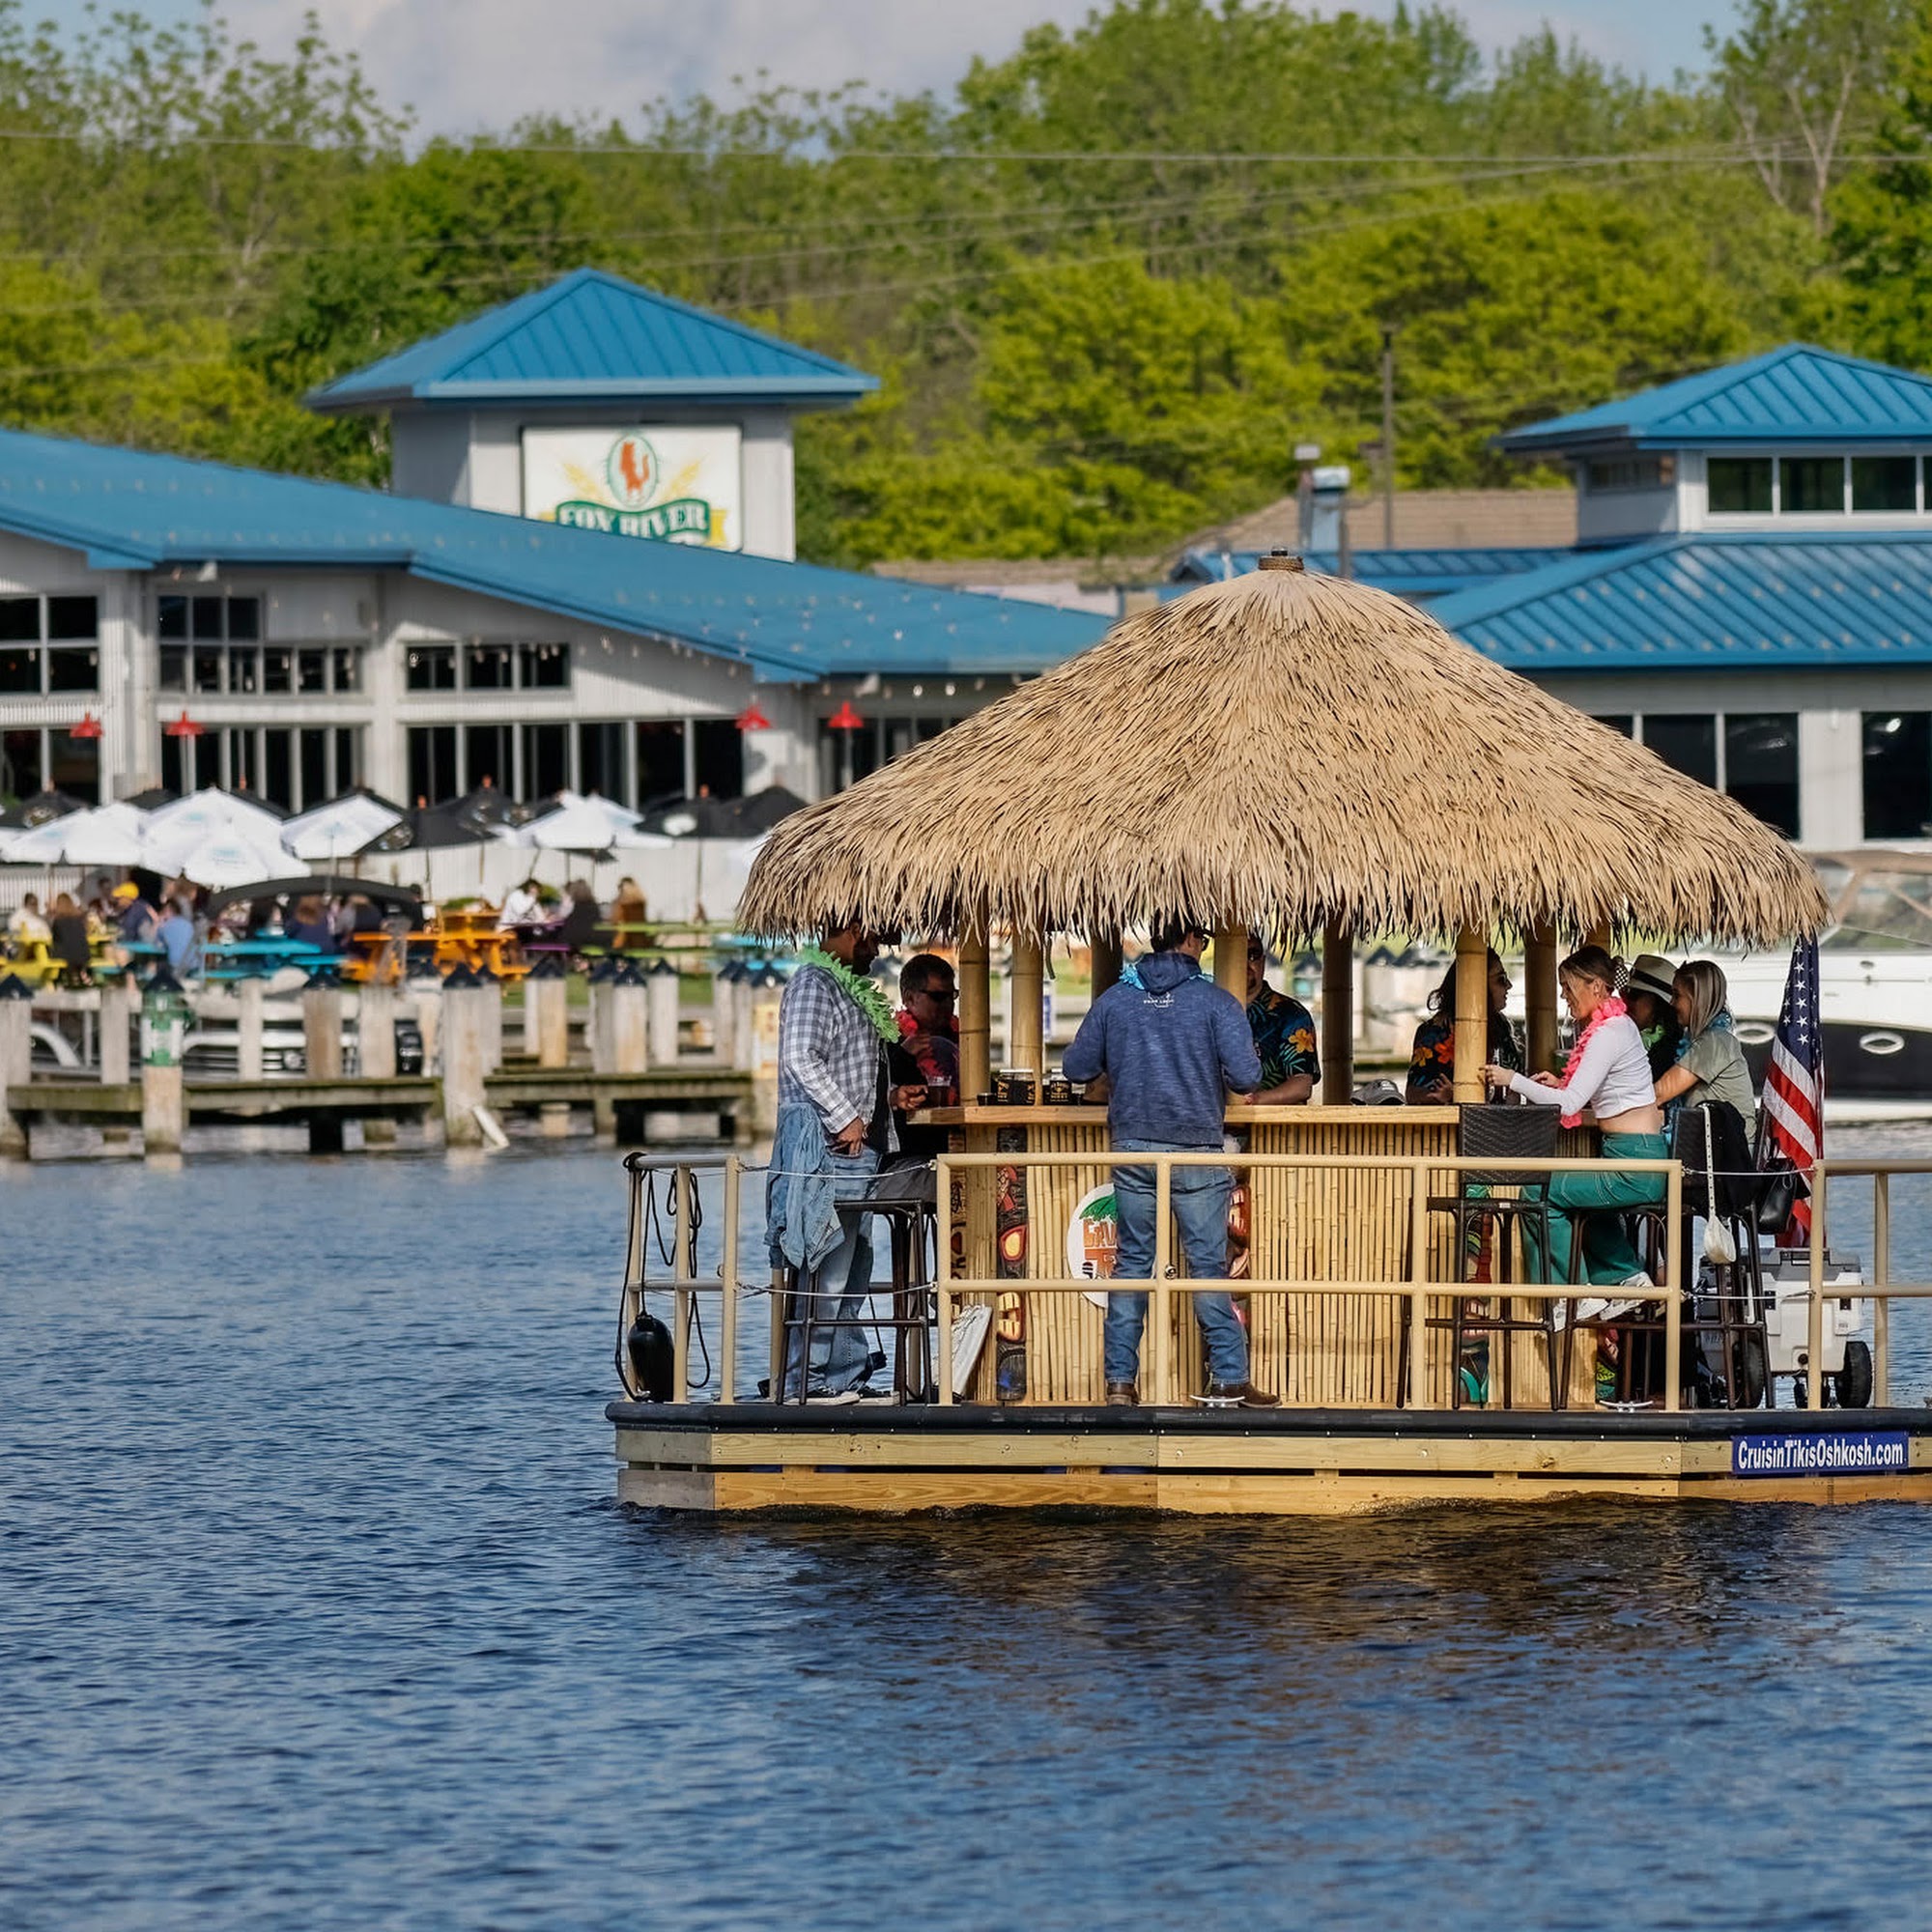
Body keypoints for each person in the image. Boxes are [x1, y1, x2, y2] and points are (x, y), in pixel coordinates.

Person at [1063, 913, 1279, 1408]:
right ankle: (1230, 1378)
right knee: (1206, 1269)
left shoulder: (1115, 999)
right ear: (1190, 940)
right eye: (1203, 937)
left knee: (1132, 1267)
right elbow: (1247, 1077)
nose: (1205, 945)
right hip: (1197, 1153)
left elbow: (1076, 1067)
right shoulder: (1216, 1002)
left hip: (1134, 1149)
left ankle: (1120, 1383)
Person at [1483, 946, 1667, 1397]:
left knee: (1537, 1193)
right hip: (1633, 1156)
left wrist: (1511, 1080)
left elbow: (1570, 1105)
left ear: (1596, 987)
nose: (1565, 997)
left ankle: (1574, 1294)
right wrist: (1559, 1082)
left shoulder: (1609, 1032)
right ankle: (1625, 1276)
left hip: (1634, 1163)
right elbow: (1589, 1093)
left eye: (1568, 988)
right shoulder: (1616, 1028)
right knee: (1582, 1200)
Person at [765, 920, 925, 1401]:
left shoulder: (846, 986)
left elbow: (844, 1067)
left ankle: (842, 1375)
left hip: (861, 1150)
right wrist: (844, 1116)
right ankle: (808, 1380)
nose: (877, 949)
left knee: (854, 1266)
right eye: (873, 938)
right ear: (853, 930)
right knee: (828, 1265)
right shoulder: (815, 983)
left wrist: (889, 1099)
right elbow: (800, 1056)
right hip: (829, 1150)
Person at [1407, 951, 1521, 1102]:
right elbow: (1413, 1093)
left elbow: (1515, 1084)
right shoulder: (1434, 1031)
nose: (1509, 985)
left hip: (1499, 1116)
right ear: (1478, 984)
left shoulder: (1501, 1026)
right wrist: (1454, 1096)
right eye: (1501, 979)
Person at [1655, 959, 1755, 1124]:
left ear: (1697, 999)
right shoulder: (1706, 1040)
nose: (1671, 1002)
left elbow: (1660, 1093)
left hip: (1726, 1141)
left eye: (1677, 995)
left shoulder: (1715, 1043)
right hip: (1709, 1139)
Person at [889, 952, 960, 1161]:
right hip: (909, 1158)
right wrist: (903, 1055)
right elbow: (876, 1093)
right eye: (937, 997)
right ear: (909, 998)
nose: (947, 1004)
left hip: (962, 1148)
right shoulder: (890, 1039)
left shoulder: (963, 1039)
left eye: (952, 995)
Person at [1243, 936, 1319, 1103]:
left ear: (1263, 962)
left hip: (1277, 1119)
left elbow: (1302, 1085)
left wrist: (1254, 1100)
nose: (1244, 963)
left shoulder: (1292, 1014)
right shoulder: (1208, 1012)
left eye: (1252, 955)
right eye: (1237, 956)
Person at [1623, 952, 1684, 1081]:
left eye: (1634, 994)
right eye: (1627, 992)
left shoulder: (1671, 1052)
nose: (1626, 1000)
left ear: (1658, 1004)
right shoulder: (1621, 1035)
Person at [47, 892, 90, 984]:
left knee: (53, 950)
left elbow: (54, 937)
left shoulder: (58, 921)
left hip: (66, 955)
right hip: (84, 954)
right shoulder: (79, 918)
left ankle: (67, 978)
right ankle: (80, 974)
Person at [155, 896, 199, 977]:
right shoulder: (188, 924)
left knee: (157, 964)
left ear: (168, 910)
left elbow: (155, 942)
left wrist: (158, 922)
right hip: (194, 965)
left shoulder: (165, 926)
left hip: (176, 965)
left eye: (163, 911)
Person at [610, 876, 649, 952]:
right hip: (640, 942)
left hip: (623, 943)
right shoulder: (641, 902)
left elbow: (614, 921)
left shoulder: (621, 903)